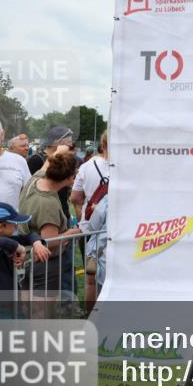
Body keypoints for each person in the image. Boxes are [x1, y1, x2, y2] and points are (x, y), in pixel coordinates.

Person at [18, 152, 81, 298]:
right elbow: (49, 242)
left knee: (27, 306)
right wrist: (71, 233)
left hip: (27, 257)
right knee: (43, 312)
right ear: (70, 178)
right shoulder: (48, 204)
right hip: (44, 263)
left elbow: (48, 164)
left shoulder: (35, 179)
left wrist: (60, 151)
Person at [70, 131, 109, 307]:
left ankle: (90, 312)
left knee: (90, 276)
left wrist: (83, 217)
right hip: (117, 228)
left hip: (89, 228)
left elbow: (76, 197)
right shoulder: (130, 167)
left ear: (102, 144)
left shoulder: (87, 166)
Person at [0, 202, 47, 294]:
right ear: (1, 227)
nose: (17, 226)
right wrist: (18, 247)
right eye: (14, 223)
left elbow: (29, 236)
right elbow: (2, 242)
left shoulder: (7, 239)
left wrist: (37, 243)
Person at [27, 125, 74, 218]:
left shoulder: (62, 159)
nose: (71, 145)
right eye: (69, 142)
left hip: (63, 212)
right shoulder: (36, 160)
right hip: (45, 214)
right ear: (58, 142)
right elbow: (30, 186)